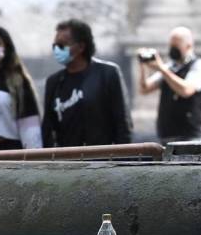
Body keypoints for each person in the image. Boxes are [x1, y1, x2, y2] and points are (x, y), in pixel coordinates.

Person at [41, 19, 132, 147]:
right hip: (67, 157)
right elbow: (48, 127)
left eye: (62, 45)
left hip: (102, 155)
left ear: (81, 47)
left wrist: (123, 155)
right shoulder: (54, 82)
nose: (57, 50)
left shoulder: (107, 74)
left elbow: (122, 122)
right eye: (55, 46)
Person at [137, 26, 201, 143]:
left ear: (188, 46)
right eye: (171, 46)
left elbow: (186, 90)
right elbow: (144, 89)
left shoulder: (200, 65)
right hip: (165, 135)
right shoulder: (169, 67)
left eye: (176, 47)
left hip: (189, 137)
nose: (172, 50)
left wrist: (161, 69)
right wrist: (143, 65)